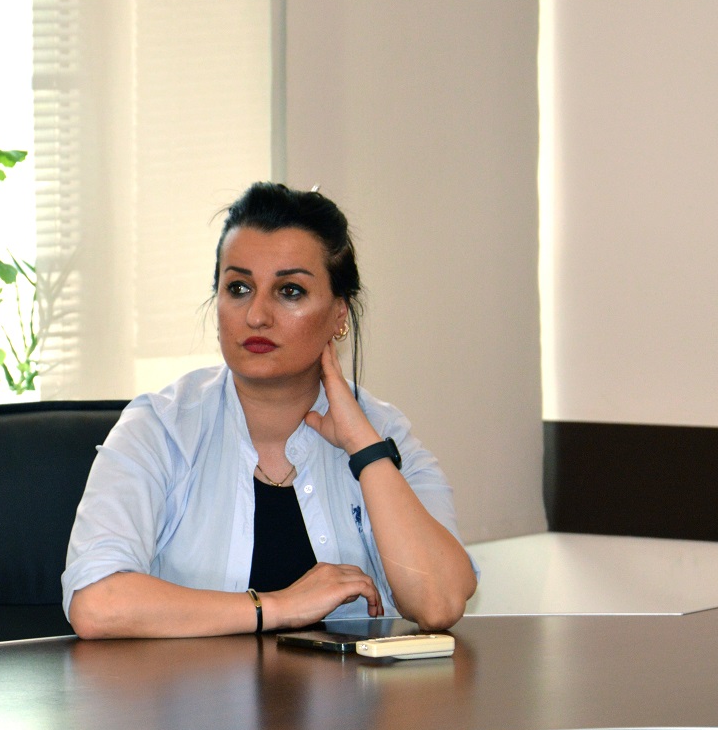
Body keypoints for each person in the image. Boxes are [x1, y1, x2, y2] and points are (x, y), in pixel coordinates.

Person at [63, 182, 476, 639]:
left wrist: (364, 448)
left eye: (290, 291)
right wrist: (280, 606)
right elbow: (97, 604)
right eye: (238, 288)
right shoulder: (160, 428)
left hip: (350, 691)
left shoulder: (382, 431)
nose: (256, 315)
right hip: (195, 688)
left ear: (339, 315)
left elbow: (438, 603)